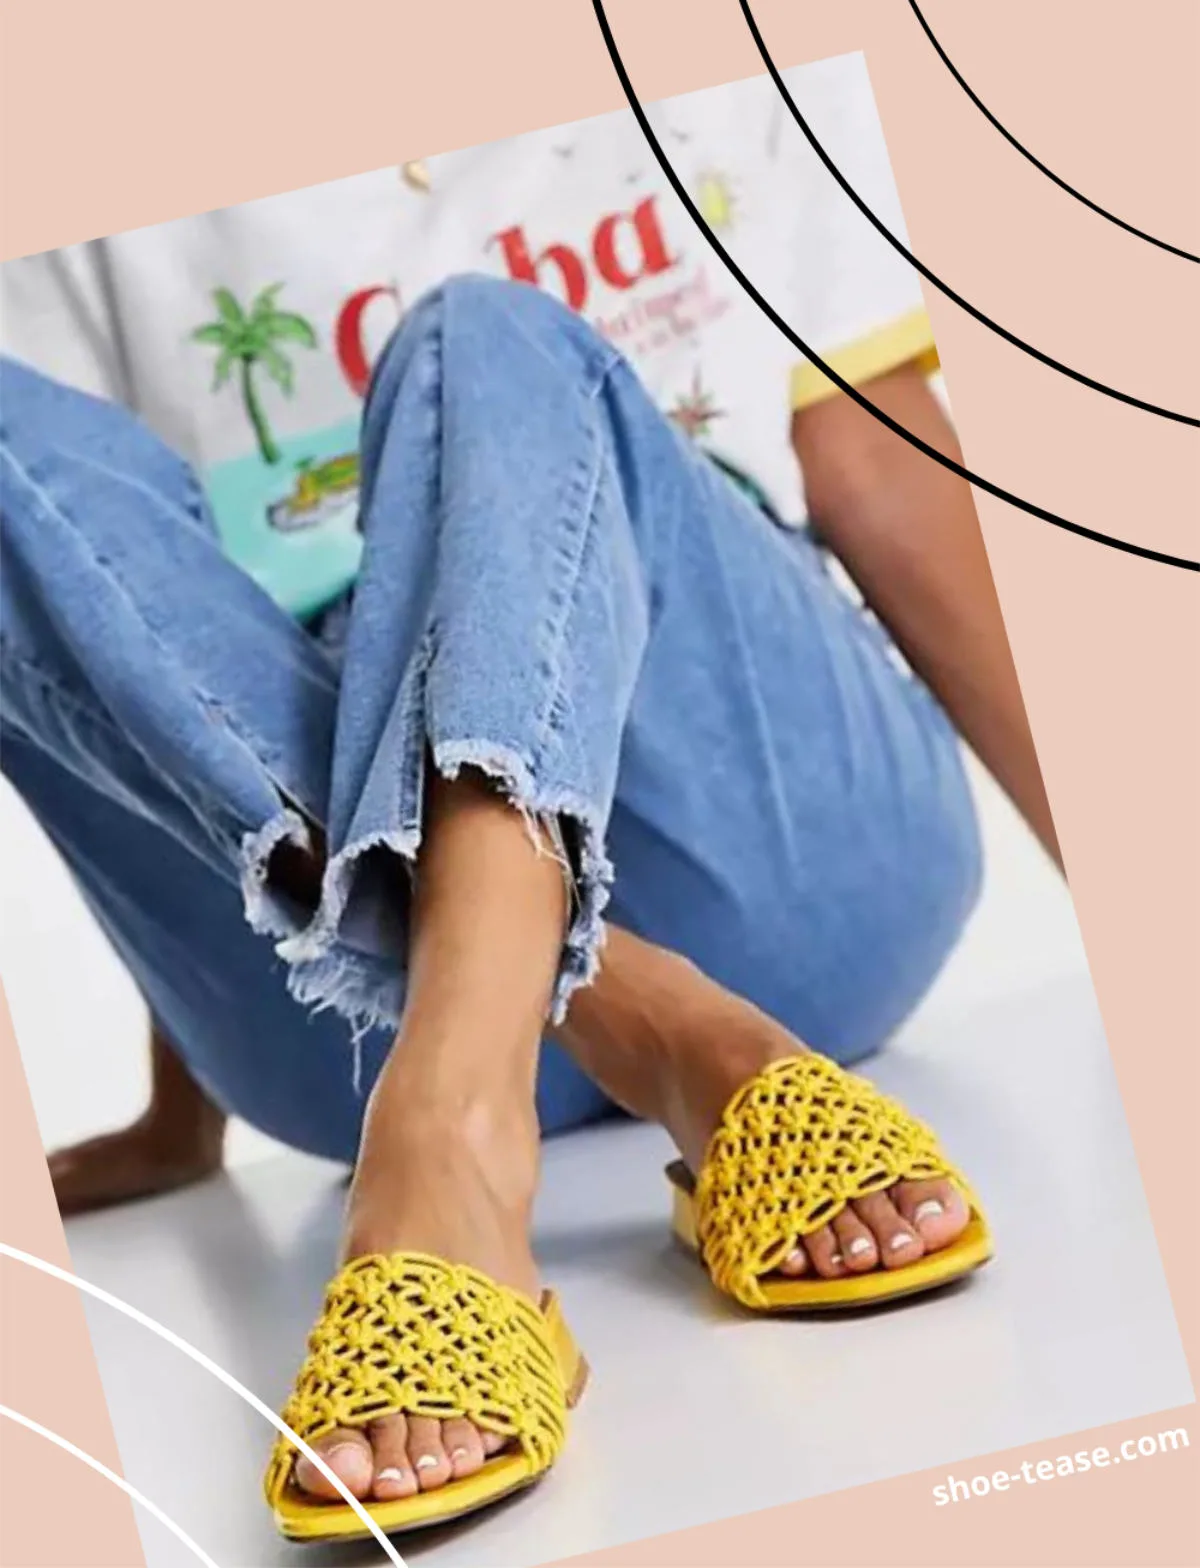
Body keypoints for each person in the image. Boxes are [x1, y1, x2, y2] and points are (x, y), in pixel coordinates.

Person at [1, 58, 1058, 1533]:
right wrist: (186, 1090)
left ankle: (447, 1138)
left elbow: (879, 468)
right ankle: (649, 1022)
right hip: (324, 1003)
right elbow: (129, 602)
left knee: (493, 337)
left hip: (786, 851)